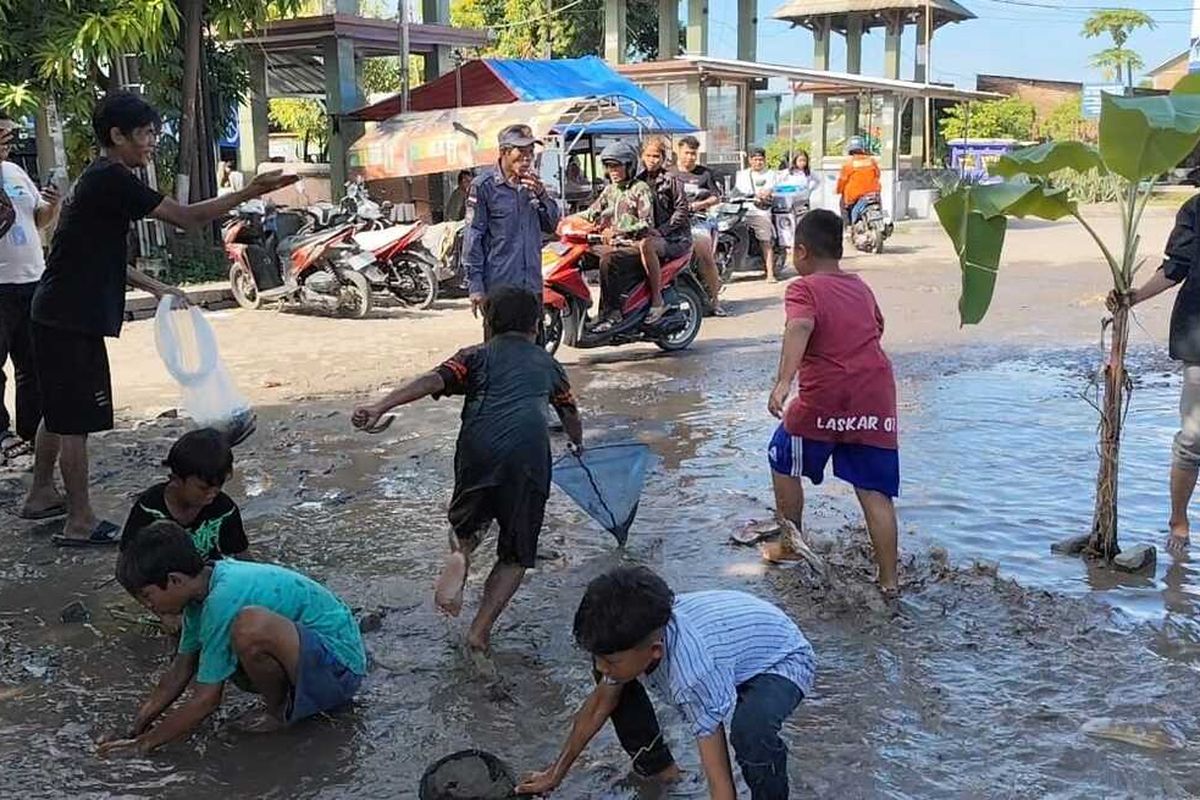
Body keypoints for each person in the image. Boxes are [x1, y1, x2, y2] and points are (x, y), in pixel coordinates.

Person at [20, 91, 296, 545]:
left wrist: (157, 287)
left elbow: (99, 256)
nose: (151, 142)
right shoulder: (113, 178)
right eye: (146, 134)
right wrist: (250, 191)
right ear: (118, 135)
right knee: (75, 423)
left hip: (57, 312)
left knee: (59, 410)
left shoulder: (99, 179)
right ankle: (80, 521)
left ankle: (41, 494)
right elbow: (186, 218)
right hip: (70, 318)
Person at [351, 287, 583, 654]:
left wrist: (380, 406)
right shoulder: (548, 365)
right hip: (527, 460)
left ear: (488, 324)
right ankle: (480, 630)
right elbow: (568, 411)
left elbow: (434, 379)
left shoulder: (474, 356)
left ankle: (461, 553)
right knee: (515, 555)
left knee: (467, 526)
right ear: (536, 327)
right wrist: (577, 442)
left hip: (478, 452)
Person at [516, 566, 816, 800]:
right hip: (731, 649)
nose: (600, 666)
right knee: (614, 681)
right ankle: (661, 770)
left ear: (655, 651)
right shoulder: (634, 637)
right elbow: (597, 708)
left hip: (782, 660)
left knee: (750, 731)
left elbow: (720, 782)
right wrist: (555, 773)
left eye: (609, 660)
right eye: (597, 657)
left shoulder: (692, 675)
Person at [98, 520, 366, 756]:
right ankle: (285, 703)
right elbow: (180, 670)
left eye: (147, 596)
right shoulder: (201, 593)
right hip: (314, 658)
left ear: (175, 580)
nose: (149, 606)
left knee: (250, 627)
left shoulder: (223, 598)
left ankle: (278, 713)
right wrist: (136, 729)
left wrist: (145, 745)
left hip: (341, 669)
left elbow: (206, 700)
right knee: (231, 637)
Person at [766, 210, 899, 596]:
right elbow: (877, 327)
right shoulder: (860, 287)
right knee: (874, 491)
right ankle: (890, 582)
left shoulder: (803, 289)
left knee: (781, 455)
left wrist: (783, 382)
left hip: (826, 396)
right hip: (875, 395)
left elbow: (800, 325)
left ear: (801, 252)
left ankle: (790, 545)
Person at [1116, 192, 1200, 553]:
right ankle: (1179, 522)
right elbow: (1175, 267)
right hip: (1198, 335)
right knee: (1193, 438)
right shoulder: (1195, 209)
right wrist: (1134, 297)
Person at [0, 113, 61, 461]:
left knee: (32, 363)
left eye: (10, 133)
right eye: (2, 133)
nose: (8, 140)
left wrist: (52, 204)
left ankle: (31, 430)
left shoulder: (15, 171)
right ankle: (1, 433)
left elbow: (39, 219)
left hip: (31, 278)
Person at [463, 125, 560, 320]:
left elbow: (551, 225)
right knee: (501, 338)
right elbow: (473, 237)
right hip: (500, 286)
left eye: (530, 152)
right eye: (521, 151)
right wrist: (475, 286)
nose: (527, 158)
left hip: (531, 285)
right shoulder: (484, 187)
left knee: (534, 338)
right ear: (504, 152)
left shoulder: (533, 185)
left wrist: (542, 195)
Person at [563, 141, 655, 331]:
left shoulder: (640, 188)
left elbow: (647, 222)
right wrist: (566, 220)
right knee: (576, 256)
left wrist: (620, 231)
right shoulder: (610, 189)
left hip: (634, 245)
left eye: (617, 166)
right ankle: (581, 309)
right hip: (612, 243)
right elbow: (591, 213)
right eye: (609, 166)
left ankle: (612, 313)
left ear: (629, 166)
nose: (613, 171)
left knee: (608, 260)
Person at [121, 428, 247, 561]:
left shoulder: (224, 509)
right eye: (203, 488)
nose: (212, 494)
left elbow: (241, 555)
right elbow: (127, 560)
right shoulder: (149, 507)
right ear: (176, 480)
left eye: (218, 486)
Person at [634, 136, 692, 324]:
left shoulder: (671, 179)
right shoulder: (638, 181)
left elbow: (682, 210)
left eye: (656, 156)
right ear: (642, 156)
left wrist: (662, 230)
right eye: (648, 156)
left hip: (675, 238)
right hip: (648, 234)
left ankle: (657, 301)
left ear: (663, 158)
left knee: (647, 245)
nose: (652, 160)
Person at [671, 135, 726, 316]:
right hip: (672, 222)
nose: (690, 157)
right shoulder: (669, 173)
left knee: (704, 254)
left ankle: (715, 302)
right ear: (678, 151)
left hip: (698, 220)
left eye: (693, 153)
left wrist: (698, 205)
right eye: (687, 153)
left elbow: (716, 197)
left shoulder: (705, 174)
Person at [734, 146, 780, 281]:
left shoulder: (770, 174)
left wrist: (765, 193)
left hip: (760, 210)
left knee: (765, 239)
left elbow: (770, 188)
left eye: (760, 159)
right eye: (755, 159)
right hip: (742, 209)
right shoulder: (742, 175)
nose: (758, 162)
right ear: (750, 160)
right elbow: (737, 191)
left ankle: (770, 273)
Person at [836, 136, 881, 228]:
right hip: (873, 193)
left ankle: (848, 228)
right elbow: (877, 174)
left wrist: (838, 190)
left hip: (854, 195)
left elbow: (842, 180)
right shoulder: (872, 161)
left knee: (843, 204)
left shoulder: (848, 164)